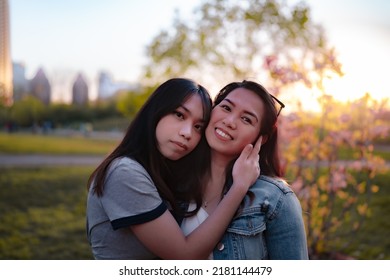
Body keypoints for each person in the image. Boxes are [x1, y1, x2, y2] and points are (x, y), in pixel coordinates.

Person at [86, 78, 261, 259]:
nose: (187, 133)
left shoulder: (165, 173)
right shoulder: (124, 172)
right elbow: (183, 256)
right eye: (179, 115)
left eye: (198, 127)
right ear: (156, 111)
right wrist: (239, 187)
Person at [181, 80, 309, 259]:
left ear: (261, 139)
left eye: (246, 119)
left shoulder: (275, 200)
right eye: (226, 108)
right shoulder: (174, 180)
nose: (230, 121)